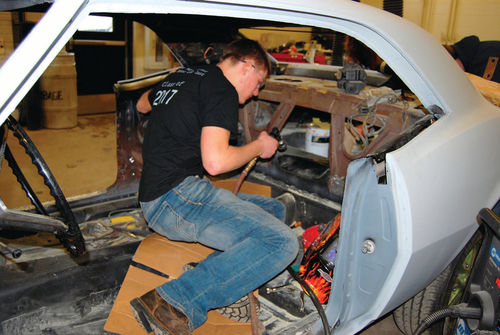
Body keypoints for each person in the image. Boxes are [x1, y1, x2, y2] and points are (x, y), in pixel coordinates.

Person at [129, 38, 299, 335]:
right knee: (282, 243)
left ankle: (222, 270)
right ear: (247, 67)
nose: (256, 92)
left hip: (158, 194)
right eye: (259, 82)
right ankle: (175, 302)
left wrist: (174, 92)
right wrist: (258, 145)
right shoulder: (223, 90)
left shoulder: (185, 74)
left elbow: (142, 104)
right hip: (177, 198)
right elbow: (216, 163)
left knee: (274, 209)